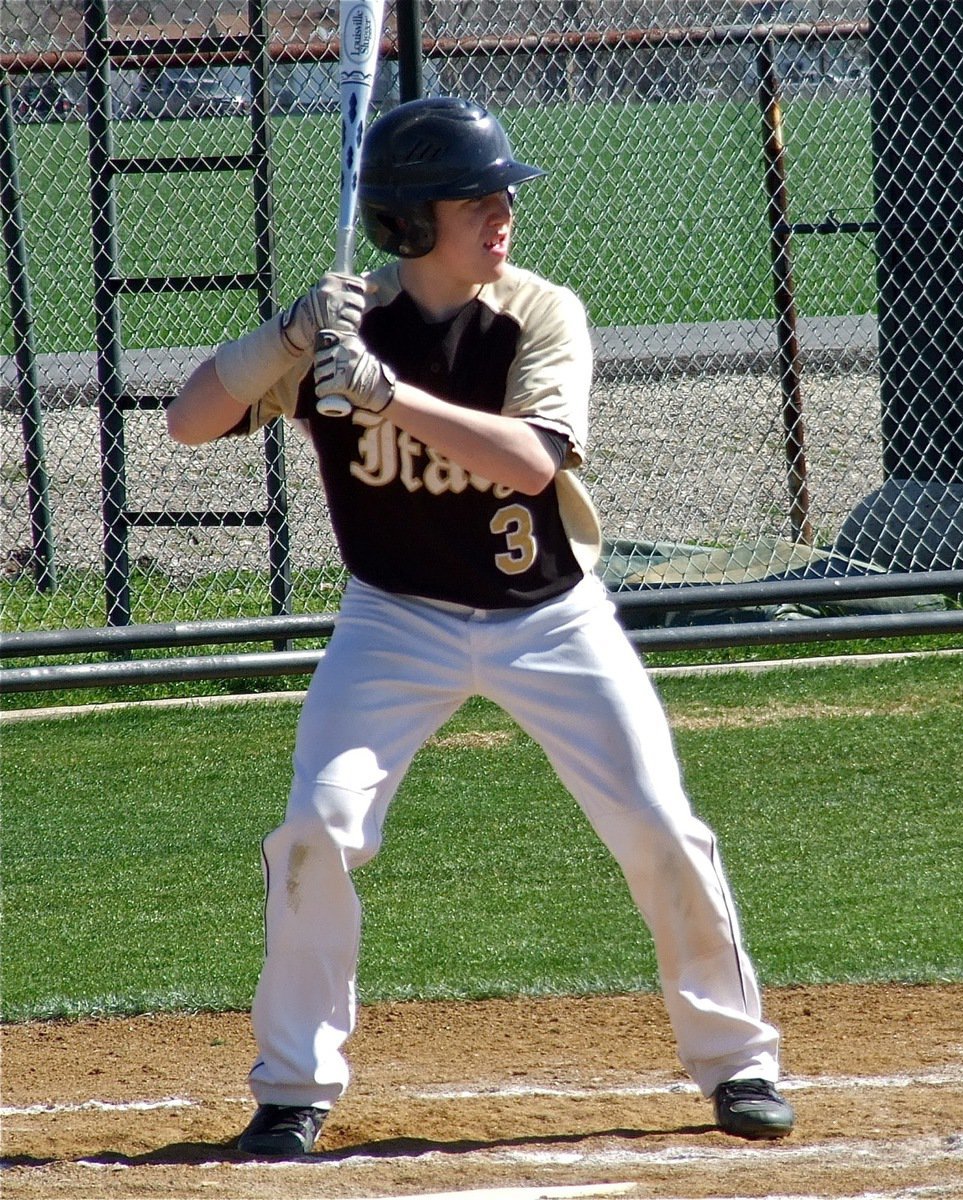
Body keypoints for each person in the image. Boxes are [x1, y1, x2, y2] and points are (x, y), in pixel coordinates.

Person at [167, 96, 795, 1156]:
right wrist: (288, 334)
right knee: (315, 831)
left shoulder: (541, 312)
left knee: (657, 821)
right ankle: (293, 1088)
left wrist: (385, 393)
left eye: (504, 192)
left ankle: (739, 1065)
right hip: (392, 620)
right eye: (476, 198)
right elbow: (188, 422)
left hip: (549, 616)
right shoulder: (342, 321)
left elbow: (530, 461)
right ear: (413, 221)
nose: (504, 210)